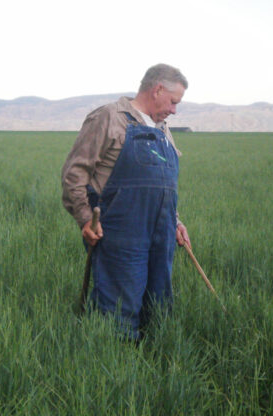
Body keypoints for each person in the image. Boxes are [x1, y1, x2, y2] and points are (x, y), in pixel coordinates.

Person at [61, 63, 191, 341]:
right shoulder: (109, 117)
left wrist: (175, 222)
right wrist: (85, 218)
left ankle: (154, 361)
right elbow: (75, 172)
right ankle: (113, 363)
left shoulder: (163, 129)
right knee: (119, 305)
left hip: (161, 233)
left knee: (157, 303)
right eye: (173, 101)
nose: (174, 110)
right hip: (120, 232)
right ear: (157, 90)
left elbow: (163, 185)